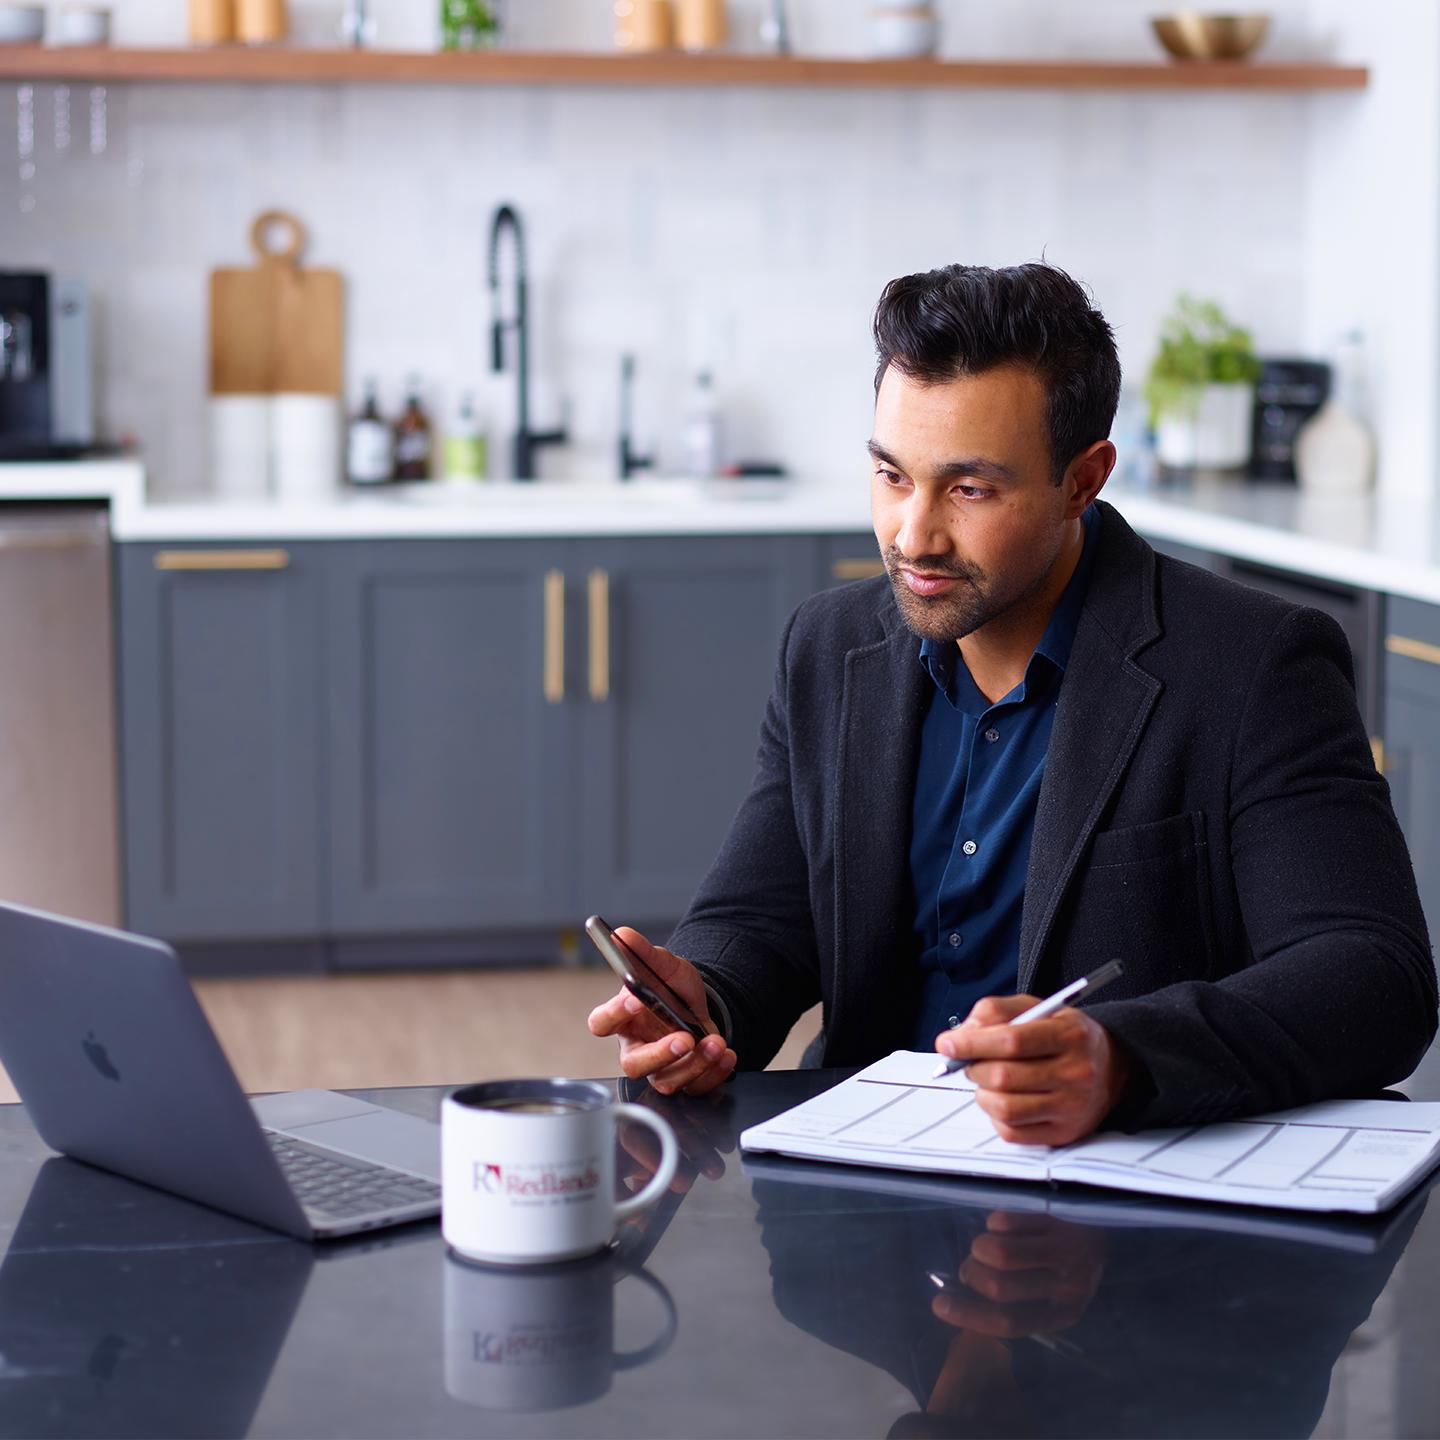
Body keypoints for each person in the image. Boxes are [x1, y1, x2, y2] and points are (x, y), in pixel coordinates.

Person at [588, 262, 1436, 1145]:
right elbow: (762, 918)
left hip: (1120, 1207)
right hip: (859, 1184)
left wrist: (1122, 1057)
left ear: (1085, 479)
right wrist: (703, 1004)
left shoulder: (1253, 664)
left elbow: (1375, 979)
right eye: (890, 476)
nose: (912, 534)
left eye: (970, 489)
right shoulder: (828, 647)